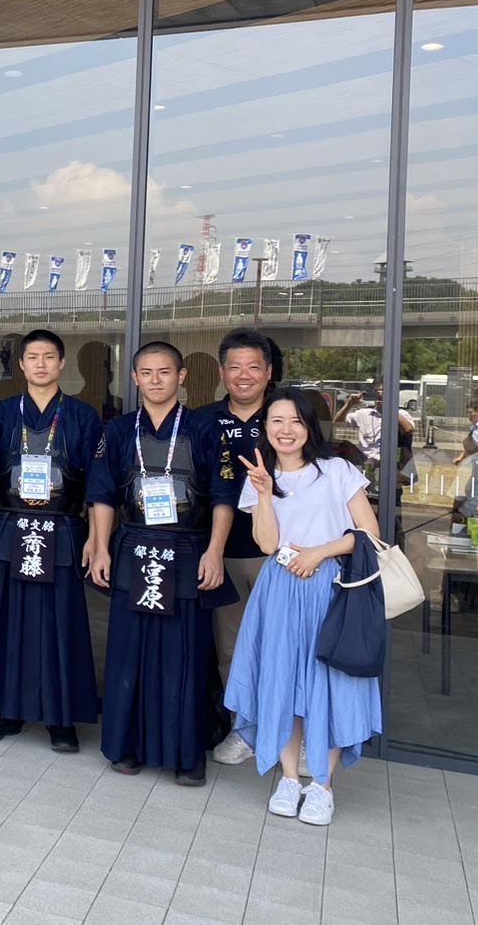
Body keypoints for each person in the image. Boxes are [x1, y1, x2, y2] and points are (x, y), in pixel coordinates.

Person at [226, 387, 384, 826]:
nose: (286, 430)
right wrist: (263, 493)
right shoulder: (261, 477)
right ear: (265, 428)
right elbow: (267, 544)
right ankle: (290, 779)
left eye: (295, 421)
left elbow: (369, 533)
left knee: (329, 685)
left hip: (331, 588)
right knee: (283, 681)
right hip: (280, 588)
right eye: (276, 421)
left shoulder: (337, 471)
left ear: (309, 427)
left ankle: (323, 787)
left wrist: (319, 552)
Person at [86, 341, 238, 785]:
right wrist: (100, 547)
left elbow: (224, 498)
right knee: (128, 654)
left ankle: (187, 755)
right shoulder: (118, 430)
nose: (156, 380)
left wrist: (215, 551)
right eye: (147, 373)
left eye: (165, 372)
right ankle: (125, 745)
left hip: (188, 551)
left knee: (184, 658)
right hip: (134, 546)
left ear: (181, 377)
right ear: (135, 378)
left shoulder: (205, 429)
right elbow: (103, 495)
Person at [0, 329, 103, 752]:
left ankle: (60, 719)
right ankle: (4, 711)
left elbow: (98, 486)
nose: (41, 364)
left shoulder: (82, 416)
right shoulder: (1, 414)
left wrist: (96, 539)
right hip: (10, 528)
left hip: (61, 531)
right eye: (33, 357)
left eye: (48, 357)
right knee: (6, 623)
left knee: (59, 625)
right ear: (21, 365)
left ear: (62, 364)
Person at [200, 328, 278, 766]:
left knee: (284, 646)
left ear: (268, 372)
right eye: (235, 367)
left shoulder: (286, 417)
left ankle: (291, 732)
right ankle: (243, 729)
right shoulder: (203, 420)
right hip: (223, 553)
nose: (244, 375)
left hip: (280, 554)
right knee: (231, 649)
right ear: (221, 372)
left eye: (253, 367)